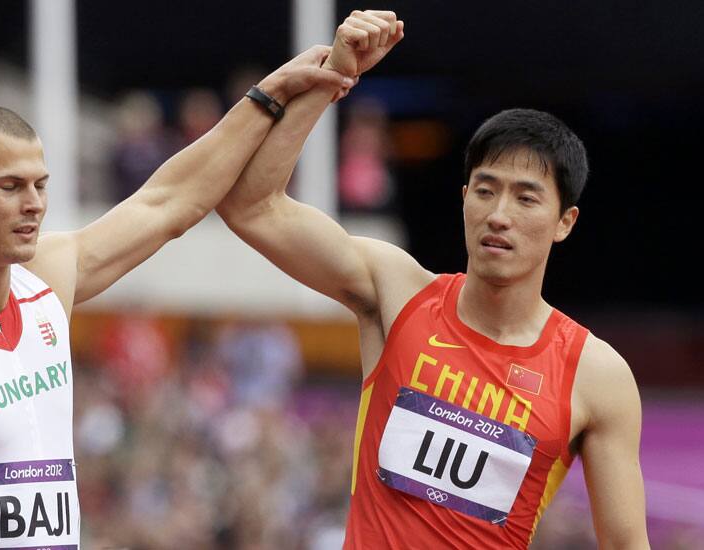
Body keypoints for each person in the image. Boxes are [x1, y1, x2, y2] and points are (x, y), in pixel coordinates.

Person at [0, 34, 359, 549]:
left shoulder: (45, 280)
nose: (34, 204)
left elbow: (167, 204)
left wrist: (272, 94)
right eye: (10, 187)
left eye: (40, 185)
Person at [216, 10, 650, 549]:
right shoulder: (397, 292)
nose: (499, 214)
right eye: (486, 190)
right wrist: (332, 77)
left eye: (526, 197)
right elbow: (253, 206)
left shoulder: (596, 376)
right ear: (464, 198)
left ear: (566, 222)